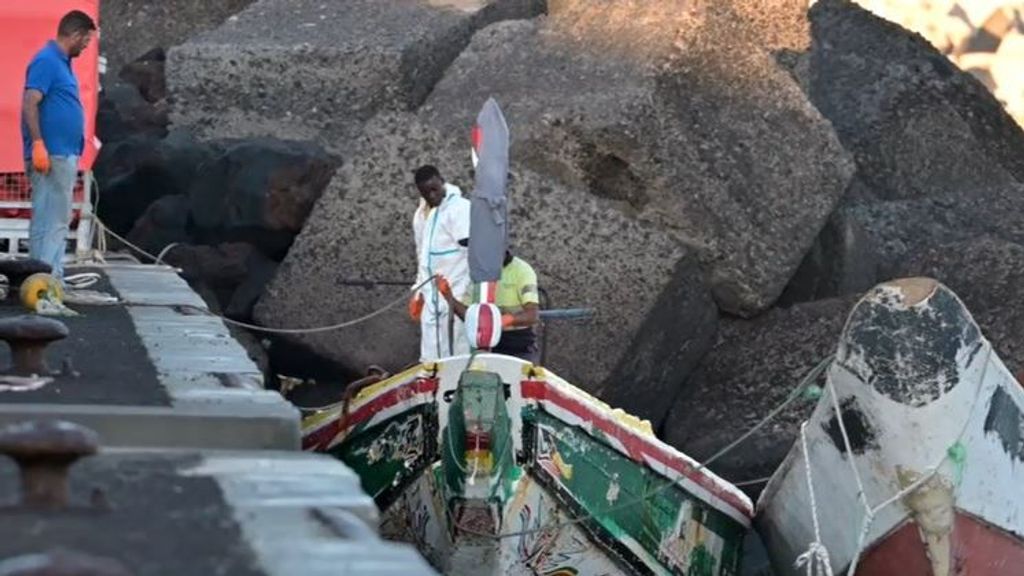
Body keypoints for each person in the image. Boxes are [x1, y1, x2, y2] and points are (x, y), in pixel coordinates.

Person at [22, 10, 96, 284]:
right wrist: (39, 143)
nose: (87, 46)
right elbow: (30, 101)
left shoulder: (61, 63)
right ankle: (45, 280)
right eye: (86, 40)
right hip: (51, 155)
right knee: (51, 221)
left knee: (54, 219)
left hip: (61, 153)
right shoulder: (47, 61)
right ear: (75, 34)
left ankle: (45, 277)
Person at [409, 165, 471, 361]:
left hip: (457, 293)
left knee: (457, 350)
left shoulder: (460, 208)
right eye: (426, 193)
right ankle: (429, 388)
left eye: (435, 189)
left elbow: (472, 250)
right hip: (431, 296)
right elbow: (422, 255)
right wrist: (418, 291)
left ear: (441, 180)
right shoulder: (421, 215)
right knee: (430, 356)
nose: (432, 195)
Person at [438, 249, 541, 363]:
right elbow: (468, 316)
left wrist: (503, 321)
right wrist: (448, 296)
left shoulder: (521, 270)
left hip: (519, 347)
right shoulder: (478, 273)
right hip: (485, 347)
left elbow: (532, 315)